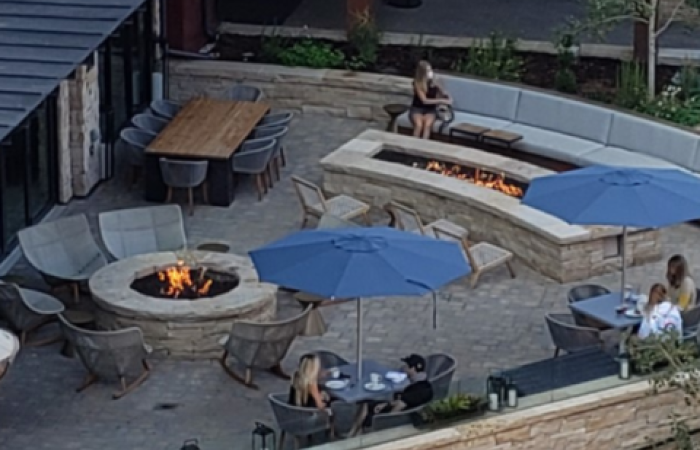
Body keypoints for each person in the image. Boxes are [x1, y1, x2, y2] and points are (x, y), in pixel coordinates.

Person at [349, 354, 434, 435]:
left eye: (406, 366)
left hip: (398, 417)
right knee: (367, 403)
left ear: (413, 369)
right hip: (404, 413)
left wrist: (386, 421)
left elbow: (400, 405)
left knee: (366, 404)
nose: (403, 368)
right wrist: (386, 404)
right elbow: (404, 400)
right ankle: (354, 433)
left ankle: (354, 435)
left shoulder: (417, 389)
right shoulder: (424, 385)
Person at [410, 61, 452, 140]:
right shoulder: (417, 83)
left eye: (430, 70)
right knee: (419, 125)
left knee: (427, 125)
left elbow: (444, 93)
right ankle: (413, 145)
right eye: (428, 71)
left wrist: (446, 95)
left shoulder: (435, 81)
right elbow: (424, 100)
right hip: (417, 108)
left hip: (430, 109)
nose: (430, 72)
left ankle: (424, 145)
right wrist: (441, 101)